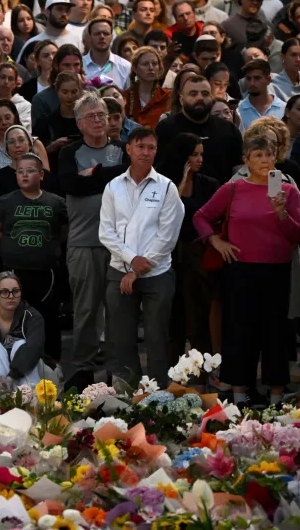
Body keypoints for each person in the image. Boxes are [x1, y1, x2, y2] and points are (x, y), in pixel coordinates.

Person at [194, 136, 300, 406]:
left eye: (269, 155)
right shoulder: (233, 189)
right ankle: (239, 394)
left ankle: (276, 395)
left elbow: (298, 235)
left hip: (276, 271)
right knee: (239, 331)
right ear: (246, 161)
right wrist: (216, 241)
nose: (265, 160)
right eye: (258, 156)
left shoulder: (287, 191)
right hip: (240, 270)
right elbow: (201, 217)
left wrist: (281, 214)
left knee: (276, 332)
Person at [98, 126, 183, 385]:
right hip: (119, 270)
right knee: (121, 338)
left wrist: (138, 269)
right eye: (140, 147)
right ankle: (128, 393)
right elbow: (106, 231)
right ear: (129, 149)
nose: (146, 152)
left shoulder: (167, 188)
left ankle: (159, 394)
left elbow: (167, 236)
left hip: (156, 273)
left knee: (157, 338)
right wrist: (130, 260)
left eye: (151, 148)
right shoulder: (113, 187)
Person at [57, 91, 129, 391]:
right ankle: (83, 369)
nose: (99, 120)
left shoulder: (123, 150)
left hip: (120, 246)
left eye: (103, 115)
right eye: (92, 116)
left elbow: (129, 178)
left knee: (117, 311)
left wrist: (95, 174)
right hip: (83, 242)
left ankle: (118, 371)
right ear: (79, 123)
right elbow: (70, 183)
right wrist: (108, 178)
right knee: (85, 309)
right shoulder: (68, 153)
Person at [0, 152, 67, 360]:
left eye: (30, 171)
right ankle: (14, 359)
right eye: (20, 171)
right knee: (14, 315)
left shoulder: (56, 202)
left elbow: (63, 232)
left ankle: (51, 361)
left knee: (47, 316)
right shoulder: (6, 201)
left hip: (46, 272)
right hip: (15, 271)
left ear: (41, 175)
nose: (24, 175)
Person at [159, 132, 221, 370]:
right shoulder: (163, 184)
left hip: (198, 259)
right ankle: (170, 377)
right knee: (173, 321)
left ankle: (203, 376)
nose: (199, 159)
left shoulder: (209, 184)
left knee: (199, 320)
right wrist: (181, 184)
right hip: (170, 258)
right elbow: (164, 216)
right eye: (194, 154)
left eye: (201, 154)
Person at [155, 74, 243, 183]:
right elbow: (159, 171)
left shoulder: (228, 129)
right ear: (182, 100)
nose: (200, 98)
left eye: (205, 94)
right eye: (193, 94)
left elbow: (239, 169)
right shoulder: (166, 128)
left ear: (211, 98)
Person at [32, 71, 83, 166]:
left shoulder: (88, 119)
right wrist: (52, 146)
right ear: (57, 92)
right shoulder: (45, 121)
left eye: (74, 91)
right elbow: (34, 153)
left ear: (80, 91)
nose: (69, 96)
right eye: (65, 92)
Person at [16, 0, 83, 62]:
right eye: (59, 9)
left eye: (67, 10)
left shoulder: (77, 40)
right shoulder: (33, 43)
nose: (64, 14)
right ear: (47, 12)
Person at [123, 46, 171, 128]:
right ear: (135, 68)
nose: (151, 68)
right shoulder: (125, 96)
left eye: (154, 64)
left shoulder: (167, 96)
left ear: (159, 68)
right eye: (145, 64)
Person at [239, 58, 285, 131]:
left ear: (268, 79)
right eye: (248, 78)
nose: (252, 83)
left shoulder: (284, 109)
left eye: (257, 78)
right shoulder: (238, 110)